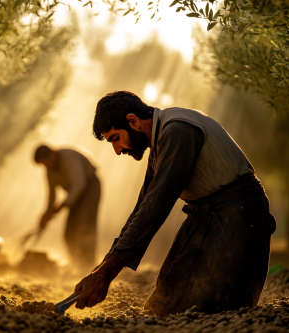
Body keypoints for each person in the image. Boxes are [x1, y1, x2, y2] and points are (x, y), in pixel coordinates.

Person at [74, 91, 276, 317]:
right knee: (163, 301)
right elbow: (141, 210)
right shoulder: (159, 143)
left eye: (115, 138)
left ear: (133, 121)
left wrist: (106, 274)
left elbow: (156, 207)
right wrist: (100, 269)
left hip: (239, 217)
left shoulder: (177, 130)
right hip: (206, 218)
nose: (118, 150)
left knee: (196, 309)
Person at [34, 145, 101, 274]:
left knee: (85, 228)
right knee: (69, 233)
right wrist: (47, 213)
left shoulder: (68, 157)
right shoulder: (49, 169)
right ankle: (77, 265)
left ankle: (89, 268)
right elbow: (51, 194)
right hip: (75, 195)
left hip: (90, 189)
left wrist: (59, 208)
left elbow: (79, 184)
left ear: (52, 155)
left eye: (45, 163)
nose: (45, 167)